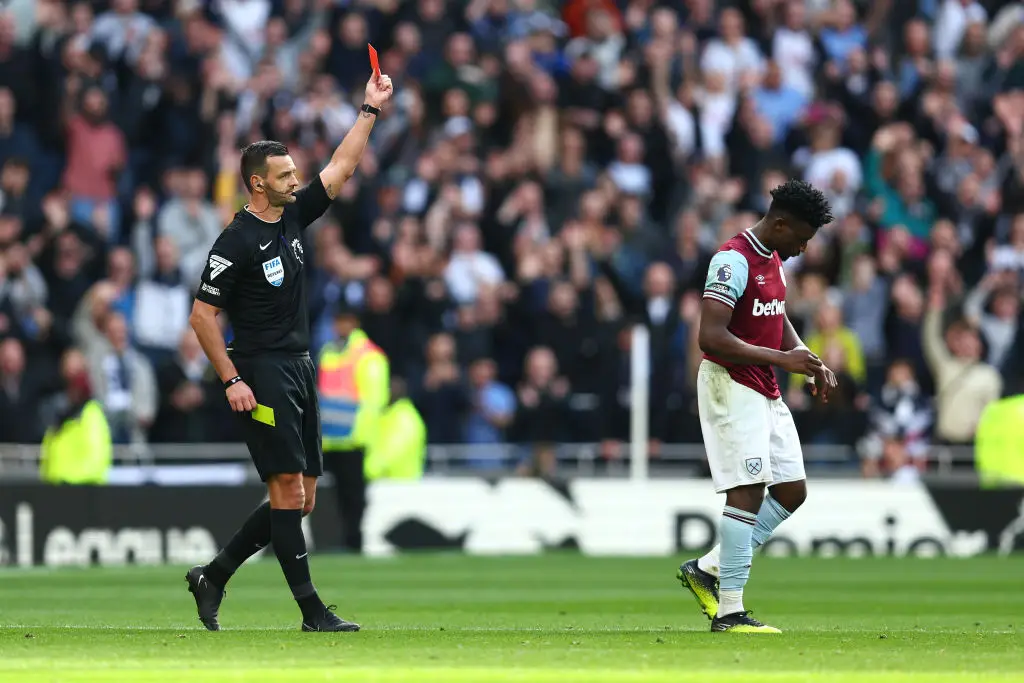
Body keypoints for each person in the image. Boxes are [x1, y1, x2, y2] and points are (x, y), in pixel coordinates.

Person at [183, 70, 394, 632]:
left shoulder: (296, 213)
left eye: (294, 172)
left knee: (301, 501)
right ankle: (311, 612)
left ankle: (213, 576)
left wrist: (368, 109)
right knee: (286, 489)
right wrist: (231, 379)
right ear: (257, 184)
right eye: (283, 175)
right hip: (261, 370)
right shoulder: (234, 242)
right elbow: (202, 316)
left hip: (301, 368)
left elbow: (342, 166)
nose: (295, 180)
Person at [677, 180, 837, 633]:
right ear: (780, 223)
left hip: (763, 384)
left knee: (791, 491)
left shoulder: (773, 259)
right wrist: (782, 360)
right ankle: (729, 610)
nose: (804, 248)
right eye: (801, 238)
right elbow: (710, 337)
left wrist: (807, 357)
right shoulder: (732, 259)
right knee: (746, 490)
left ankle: (708, 568)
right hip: (730, 383)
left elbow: (775, 313)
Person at [319, 303, 389, 554]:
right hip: (331, 438)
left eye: (344, 320)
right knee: (336, 496)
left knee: (353, 496)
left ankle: (354, 542)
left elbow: (373, 401)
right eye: (337, 320)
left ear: (354, 323)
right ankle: (343, 541)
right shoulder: (329, 352)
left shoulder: (369, 355)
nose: (340, 326)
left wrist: (358, 433)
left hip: (354, 438)